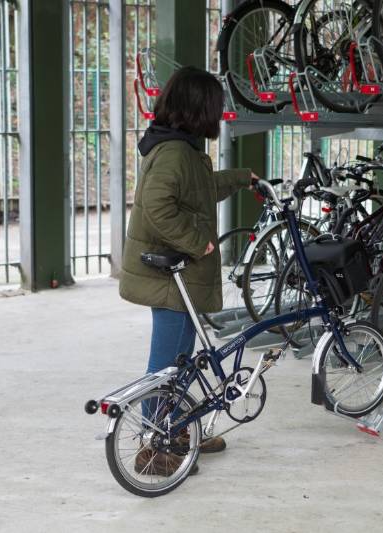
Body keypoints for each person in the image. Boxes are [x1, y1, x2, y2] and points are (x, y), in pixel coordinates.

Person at [119, 66, 258, 476]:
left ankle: (179, 432)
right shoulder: (176, 153)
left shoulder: (181, 148)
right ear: (199, 109)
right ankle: (154, 446)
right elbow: (160, 205)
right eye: (215, 107)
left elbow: (197, 188)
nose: (219, 114)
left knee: (179, 361)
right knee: (165, 366)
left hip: (176, 279)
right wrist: (197, 242)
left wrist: (238, 179)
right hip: (169, 280)